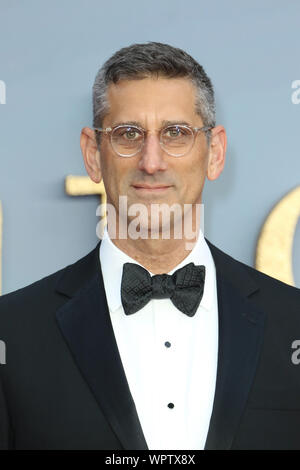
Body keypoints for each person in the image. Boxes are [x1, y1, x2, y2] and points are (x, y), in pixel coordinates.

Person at [0, 42, 300, 451]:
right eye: (128, 134)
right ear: (93, 154)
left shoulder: (293, 322)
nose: (152, 160)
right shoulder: (12, 333)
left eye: (176, 133)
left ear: (214, 153)